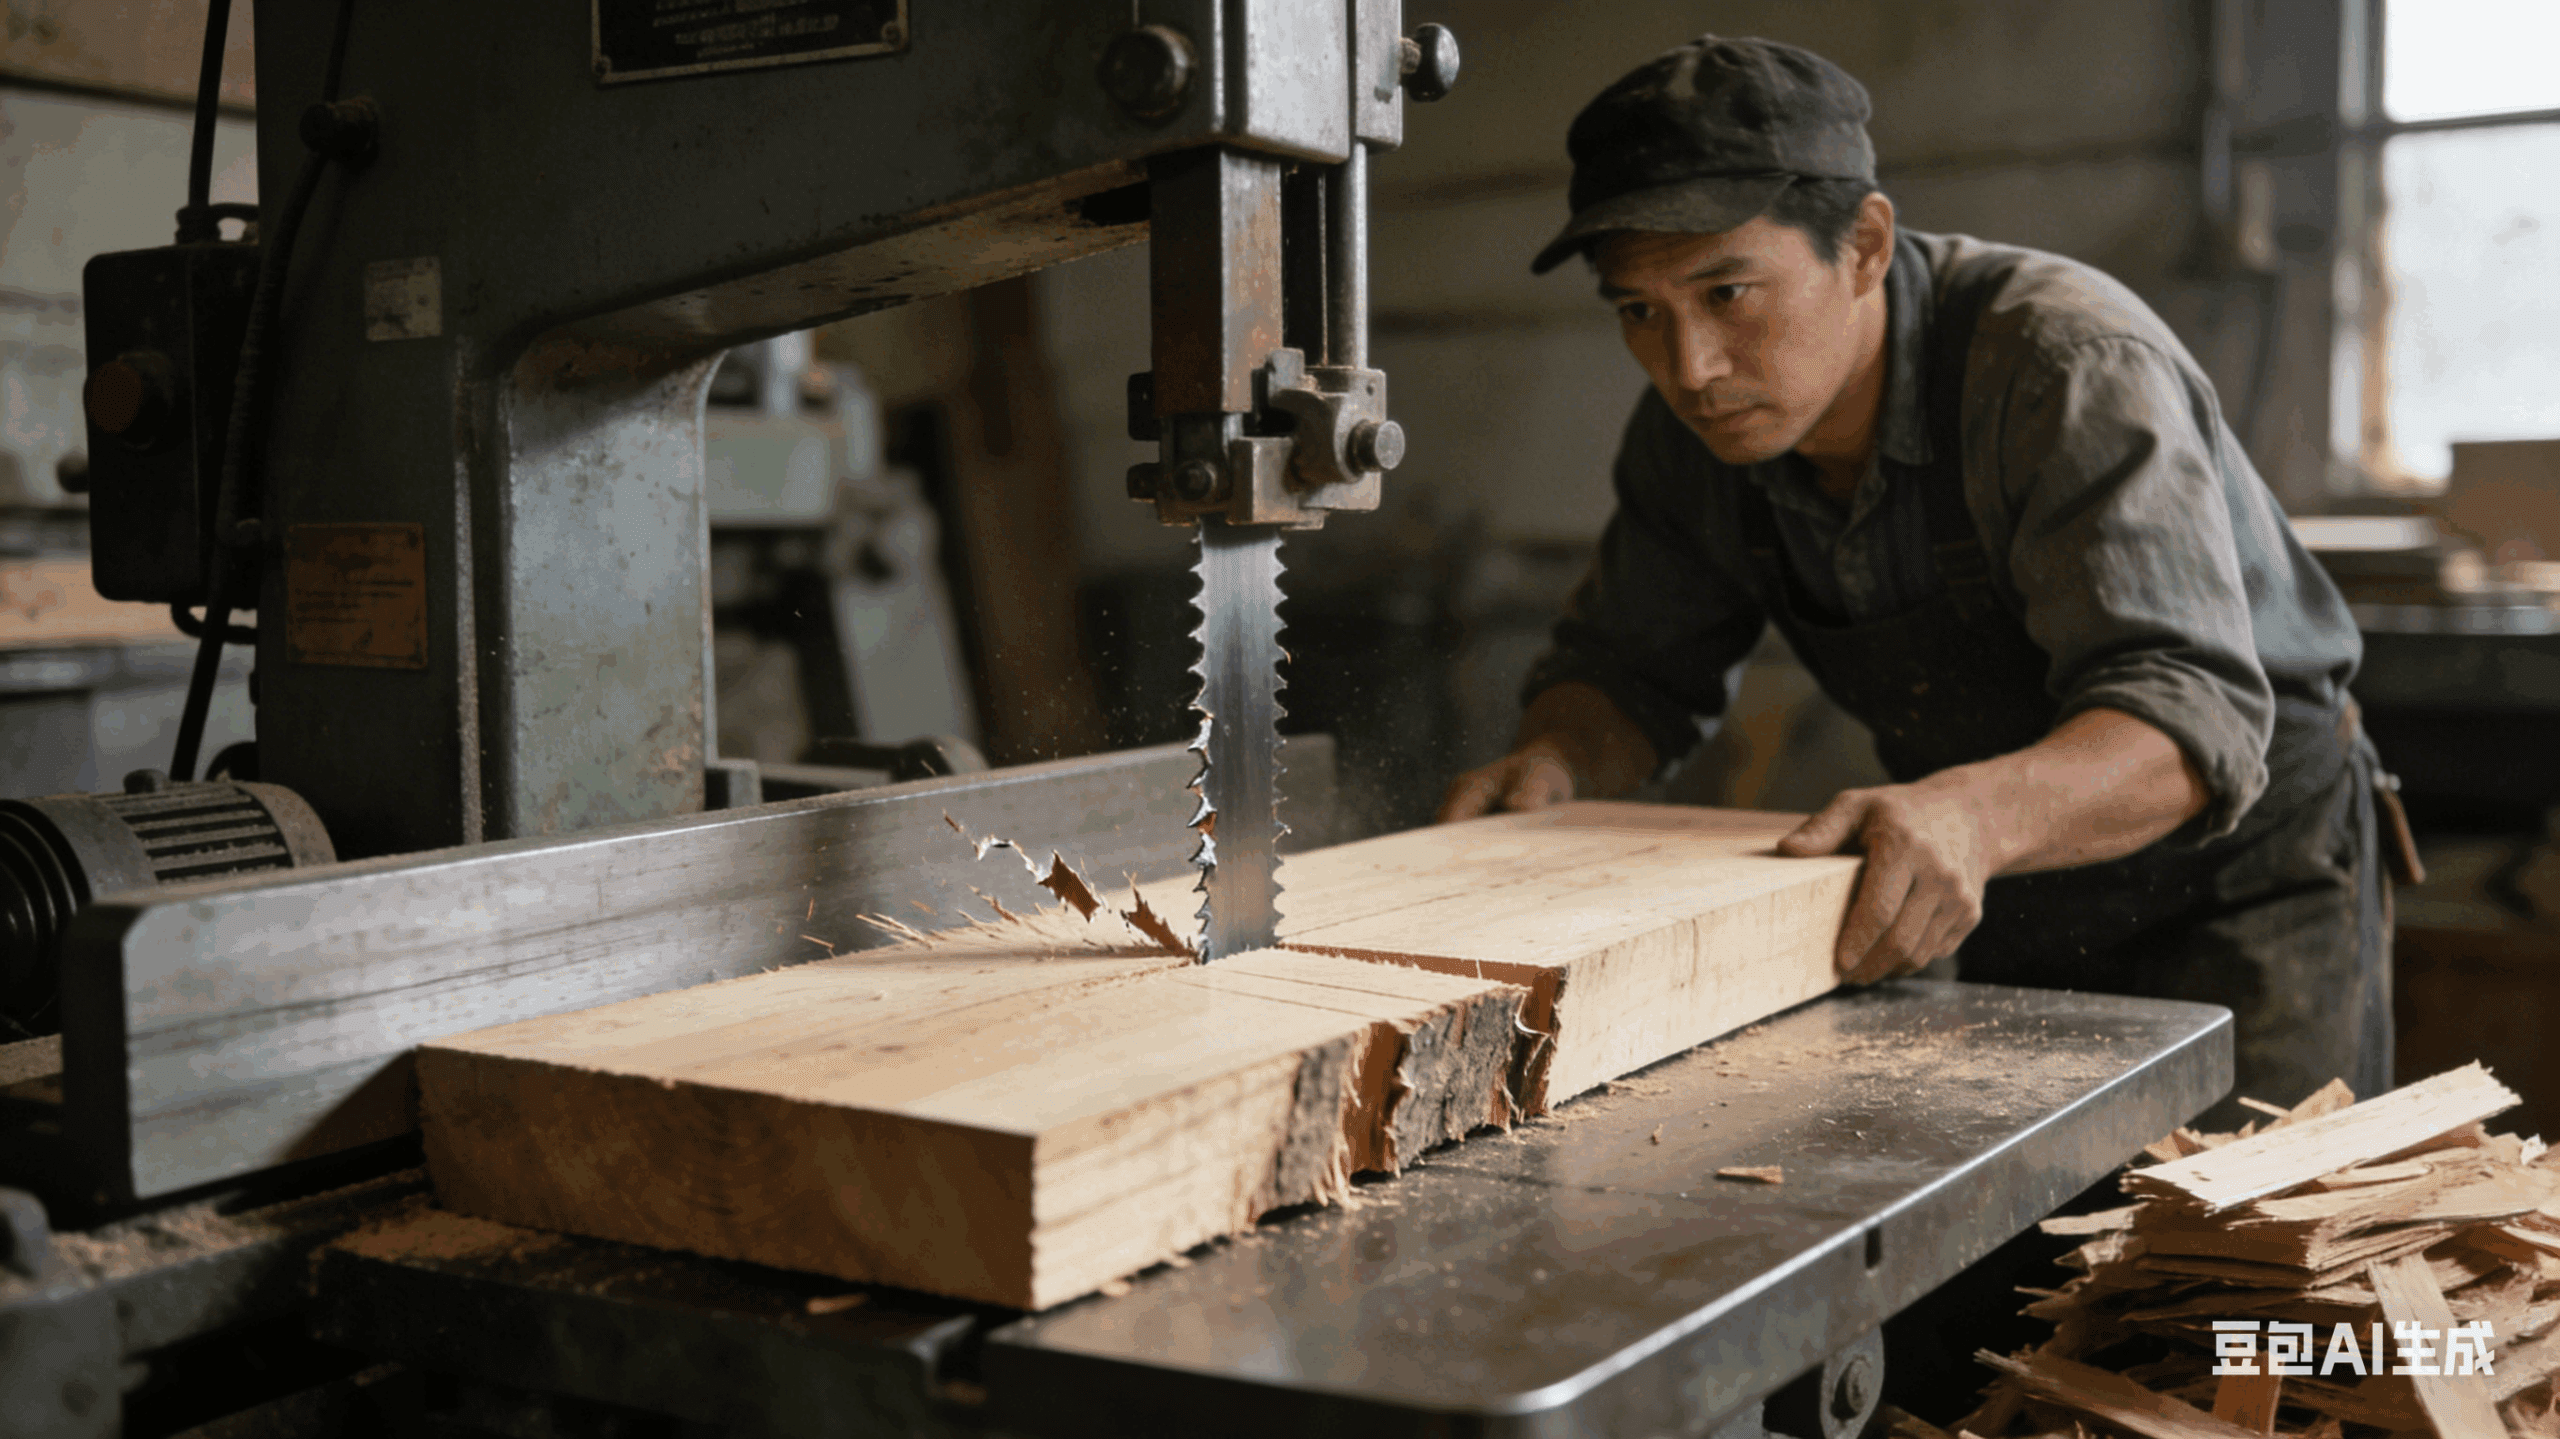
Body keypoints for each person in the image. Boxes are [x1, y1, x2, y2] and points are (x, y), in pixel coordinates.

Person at [1438, 33, 2413, 1114]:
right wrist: (1557, 762)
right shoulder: (1695, 434)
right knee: (2015, 1256)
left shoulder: (2064, 367)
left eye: (1727, 292)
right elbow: (1627, 670)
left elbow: (2191, 715)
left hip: (2238, 879)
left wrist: (1975, 818)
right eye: (1638, 311)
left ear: (1862, 244)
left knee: (2226, 1253)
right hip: (1999, 875)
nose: (1689, 367)